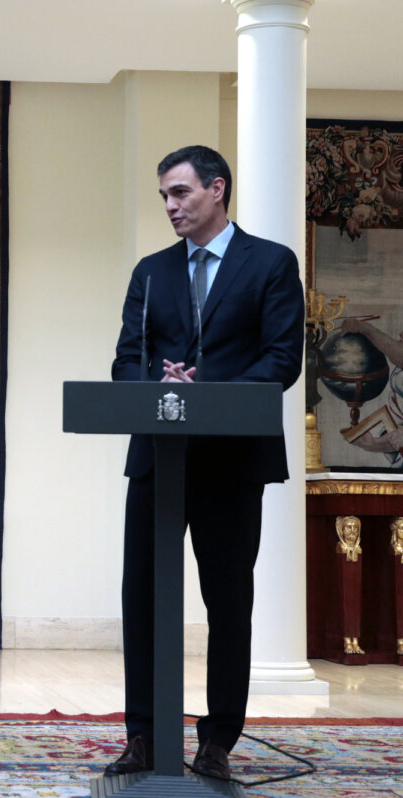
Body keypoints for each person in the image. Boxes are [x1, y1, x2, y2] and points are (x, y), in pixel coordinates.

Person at [109, 145, 305, 779]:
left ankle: (218, 741)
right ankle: (143, 735)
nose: (170, 206)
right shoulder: (151, 272)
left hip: (231, 463)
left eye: (181, 192)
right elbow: (126, 361)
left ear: (217, 189)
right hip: (158, 460)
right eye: (164, 196)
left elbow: (282, 360)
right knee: (142, 600)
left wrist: (207, 392)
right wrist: (158, 385)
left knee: (228, 602)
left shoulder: (271, 263)